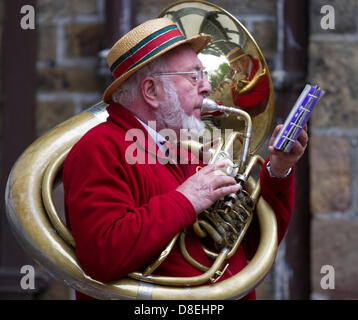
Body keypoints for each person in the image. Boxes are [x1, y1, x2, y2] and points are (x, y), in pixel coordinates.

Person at [63, 18, 308, 300]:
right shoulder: (99, 147)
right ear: (152, 91)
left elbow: (249, 244)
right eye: (194, 77)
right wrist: (187, 199)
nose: (207, 87)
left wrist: (279, 169)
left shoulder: (186, 151)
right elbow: (102, 255)